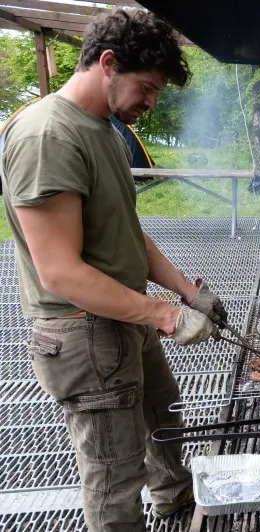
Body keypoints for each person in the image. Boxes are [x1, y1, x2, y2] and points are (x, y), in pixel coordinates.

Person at [0, 10, 225, 531]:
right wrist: (166, 316)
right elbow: (60, 272)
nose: (151, 101)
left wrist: (188, 294)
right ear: (108, 64)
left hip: (125, 318)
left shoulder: (104, 128)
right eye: (146, 87)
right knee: (114, 475)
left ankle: (173, 500)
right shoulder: (48, 137)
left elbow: (126, 233)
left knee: (163, 420)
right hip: (84, 333)